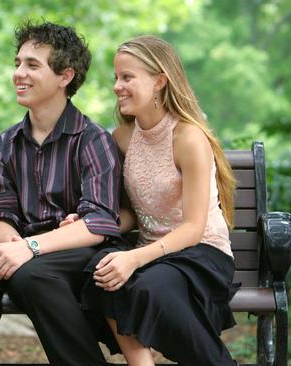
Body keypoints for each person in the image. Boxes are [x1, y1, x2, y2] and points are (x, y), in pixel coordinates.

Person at [0, 21, 122, 365]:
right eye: (18, 63)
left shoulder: (92, 140)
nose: (19, 73)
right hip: (21, 253)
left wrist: (29, 248)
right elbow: (1, 214)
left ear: (65, 76)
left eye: (32, 65)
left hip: (74, 254)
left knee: (32, 272)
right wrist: (11, 246)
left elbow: (98, 223)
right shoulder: (5, 144)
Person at [80, 35, 238, 365]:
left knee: (149, 287)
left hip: (201, 253)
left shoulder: (188, 137)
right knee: (101, 271)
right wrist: (88, 221)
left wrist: (135, 259)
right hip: (155, 255)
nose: (116, 87)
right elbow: (130, 214)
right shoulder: (123, 137)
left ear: (159, 82)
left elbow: (194, 228)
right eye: (115, 78)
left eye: (127, 77)